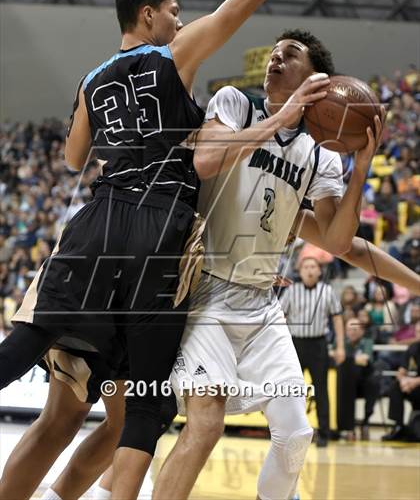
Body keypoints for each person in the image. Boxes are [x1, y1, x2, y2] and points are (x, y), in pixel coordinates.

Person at [0, 0, 294, 499]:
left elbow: (72, 158)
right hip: (157, 230)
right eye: (175, 14)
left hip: (95, 226)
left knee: (26, 351)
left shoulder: (91, 79)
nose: (181, 25)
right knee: (144, 404)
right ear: (148, 14)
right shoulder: (171, 55)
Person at [151, 29, 385, 500]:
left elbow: (339, 241)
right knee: (204, 426)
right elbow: (208, 160)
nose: (276, 57)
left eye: (290, 53)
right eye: (275, 51)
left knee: (296, 434)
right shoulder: (236, 102)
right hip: (207, 292)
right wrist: (283, 112)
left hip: (261, 303)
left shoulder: (320, 155)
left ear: (319, 79)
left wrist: (360, 170)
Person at [280, 256, 345, 447]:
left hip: (318, 345)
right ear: (300, 271)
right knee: (291, 391)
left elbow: (337, 319)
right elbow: (280, 318)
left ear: (319, 271)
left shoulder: (327, 291)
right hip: (295, 344)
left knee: (321, 390)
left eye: (313, 266)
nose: (309, 270)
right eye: (306, 266)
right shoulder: (291, 291)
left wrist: (340, 346)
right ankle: (287, 432)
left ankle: (324, 433)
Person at [337, 318, 380, 441]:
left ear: (362, 331)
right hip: (346, 383)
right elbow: (333, 356)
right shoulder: (341, 343)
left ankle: (365, 421)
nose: (352, 332)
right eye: (349, 329)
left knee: (374, 384)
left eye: (355, 329)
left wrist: (346, 359)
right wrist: (354, 359)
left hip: (364, 380)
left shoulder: (367, 341)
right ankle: (348, 427)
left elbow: (365, 360)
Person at [382, 320, 420, 442]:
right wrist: (403, 381)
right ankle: (398, 426)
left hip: (417, 383)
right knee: (395, 386)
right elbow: (401, 370)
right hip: (416, 386)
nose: (419, 334)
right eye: (418, 332)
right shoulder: (413, 347)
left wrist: (414, 382)